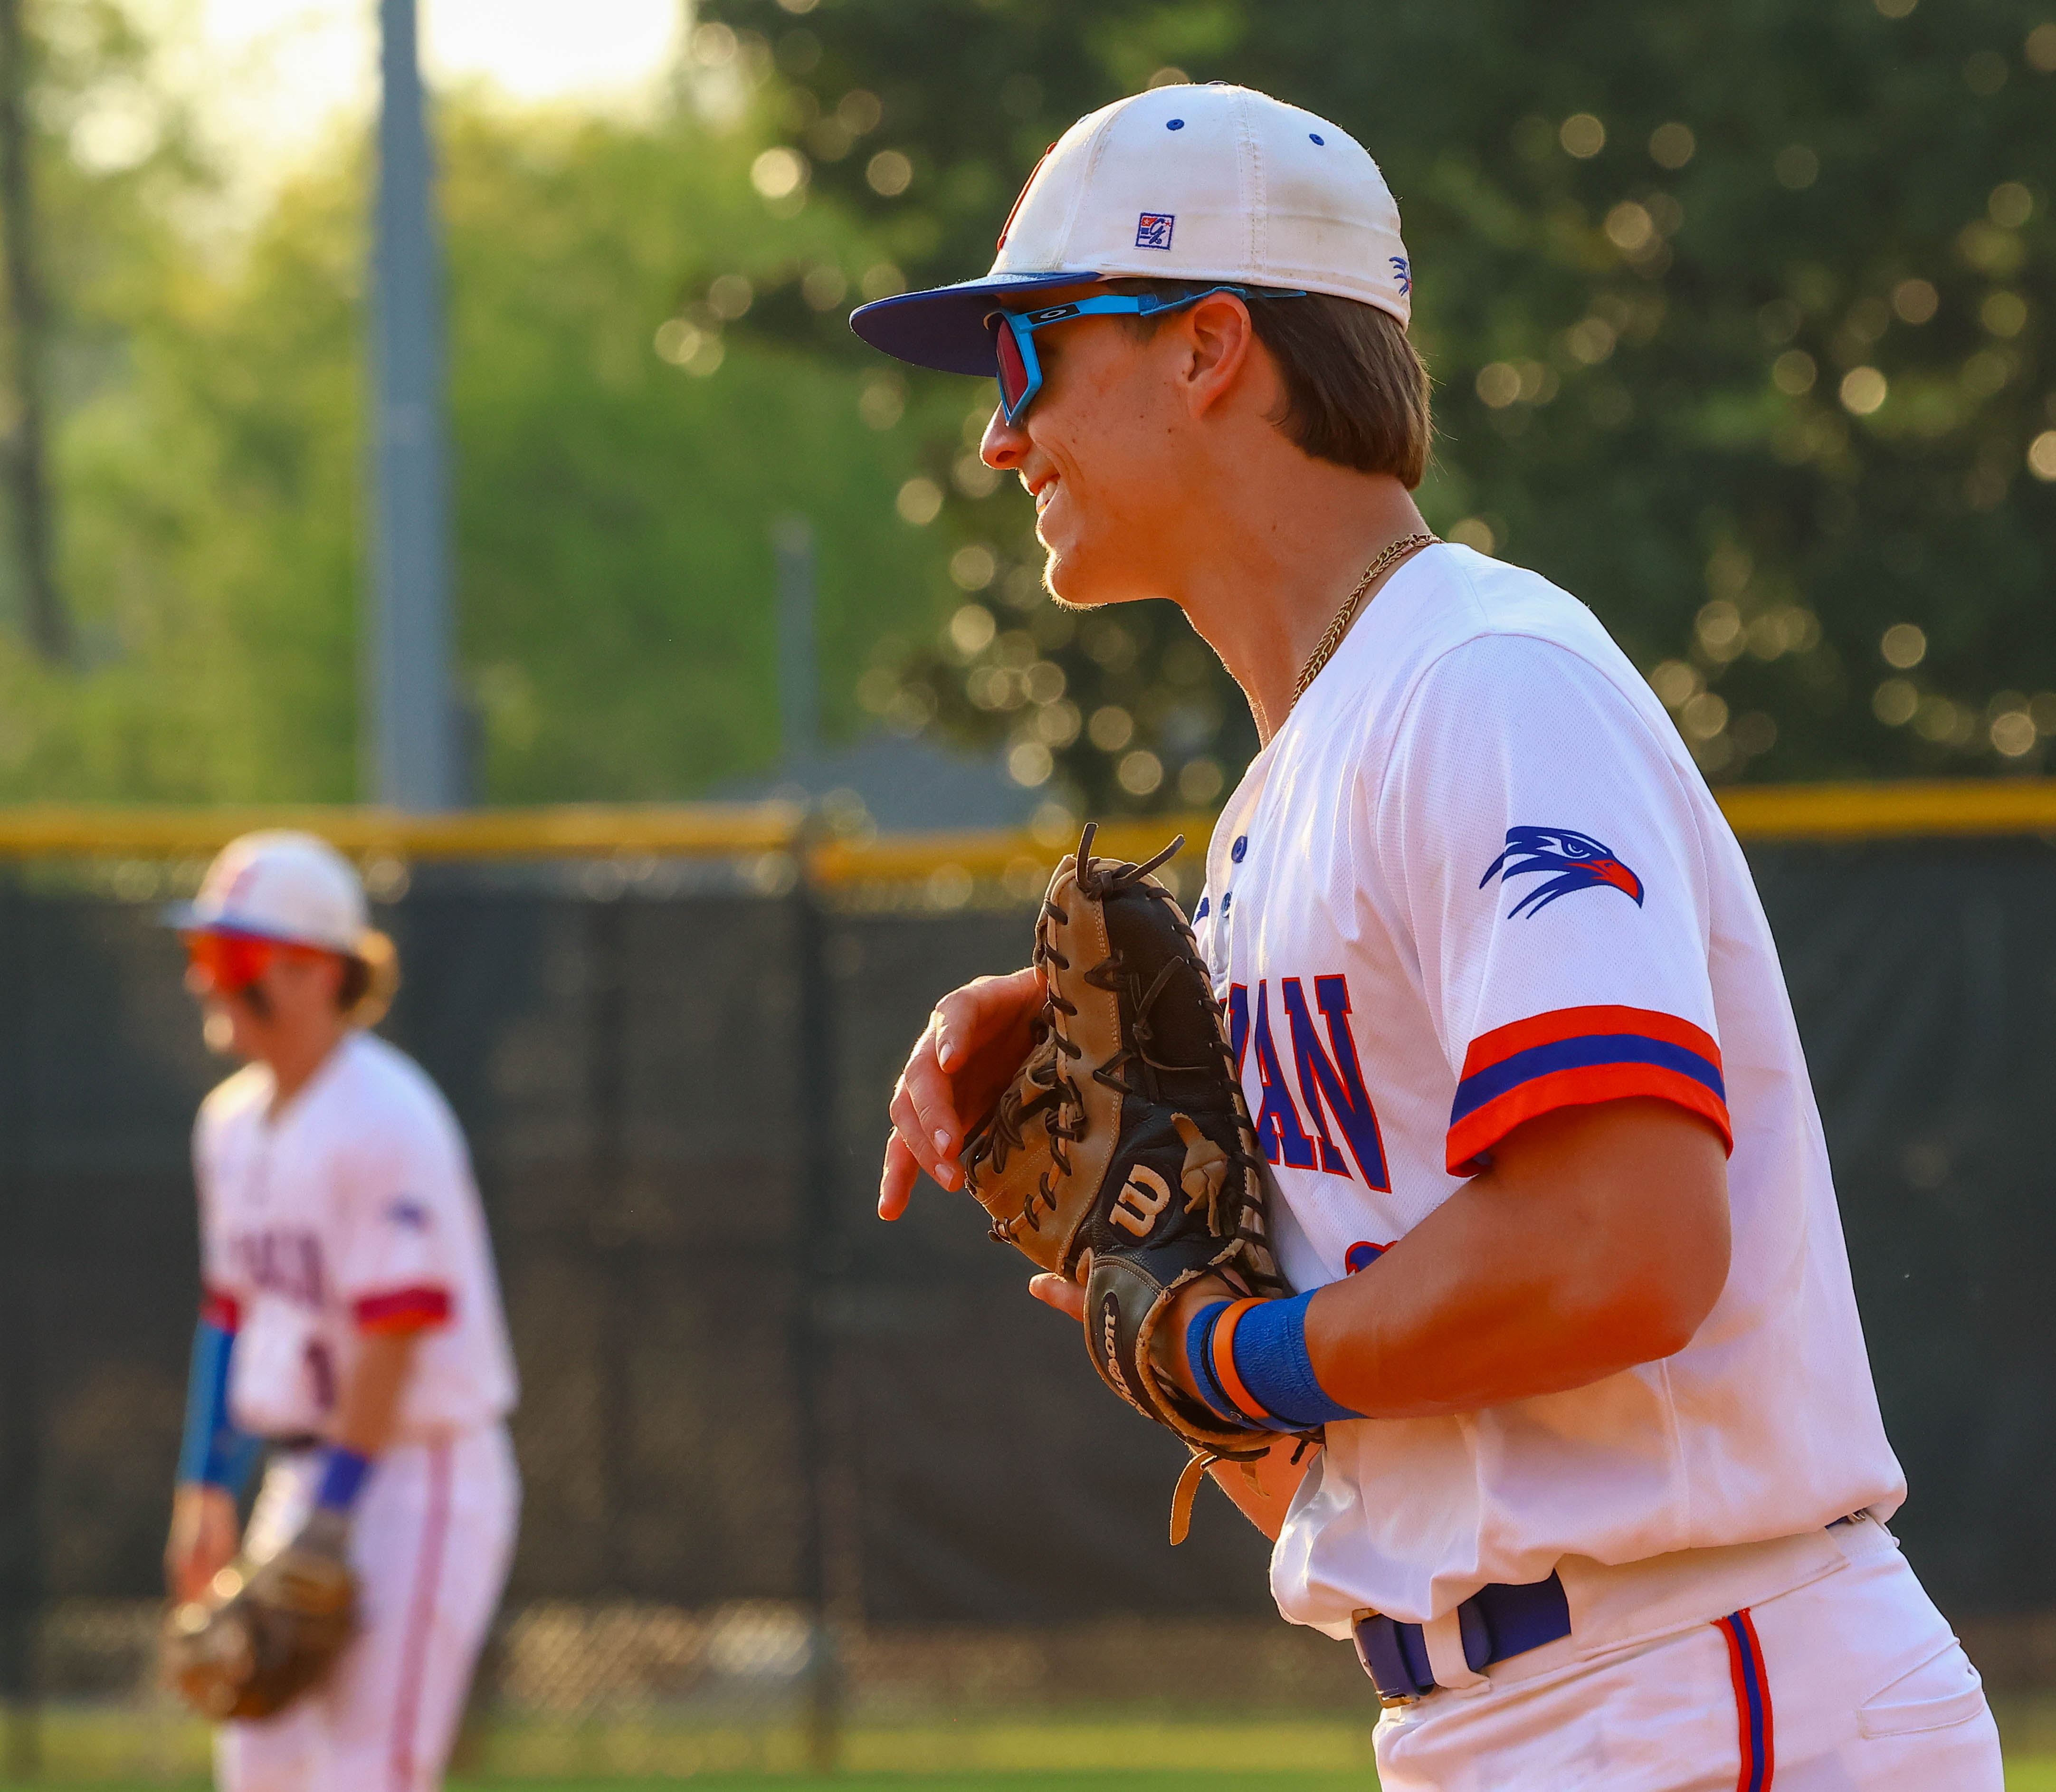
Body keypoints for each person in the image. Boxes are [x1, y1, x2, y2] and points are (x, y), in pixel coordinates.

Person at [856, 83, 2000, 1789]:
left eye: (1029, 351)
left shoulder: (1484, 684)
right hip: (1506, 1705)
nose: (998, 438)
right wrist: (1152, 1289)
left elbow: (1627, 1244)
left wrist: (1235, 1347)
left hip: (1700, 1681)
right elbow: (1343, 1449)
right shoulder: (1291, 796)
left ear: (1207, 347)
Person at [162, 830, 519, 1792]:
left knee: (371, 1774)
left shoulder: (386, 1116)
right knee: (261, 1769)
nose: (203, 980)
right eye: (201, 954)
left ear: (314, 971)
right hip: (304, 1475)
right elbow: (230, 1311)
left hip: (417, 1474)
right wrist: (204, 1484)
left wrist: (334, 1517)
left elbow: (396, 1331)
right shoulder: (229, 1125)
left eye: (226, 957)